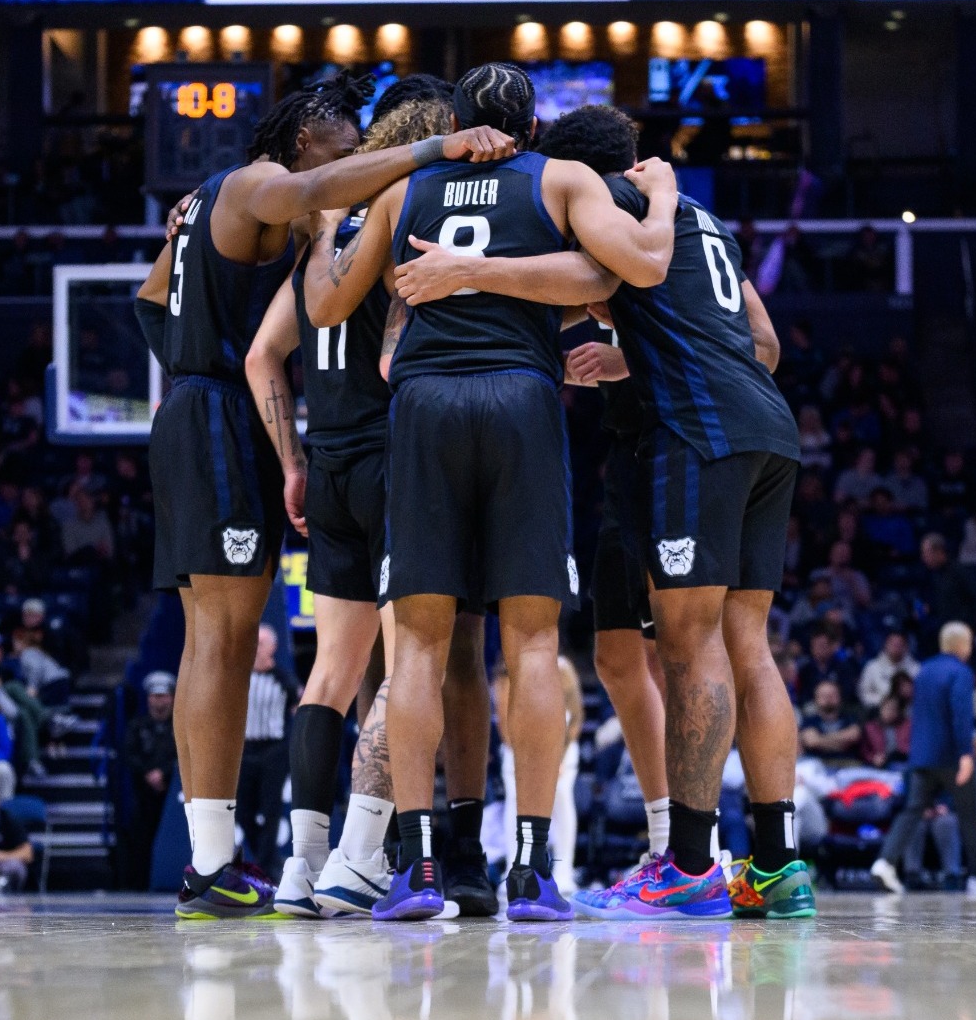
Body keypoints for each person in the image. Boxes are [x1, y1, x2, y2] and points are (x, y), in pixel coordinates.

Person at [133, 72, 513, 921]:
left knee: (231, 643)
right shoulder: (262, 181)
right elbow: (312, 195)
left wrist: (199, 366)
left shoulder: (215, 207)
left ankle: (227, 860)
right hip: (241, 422)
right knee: (236, 644)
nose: (356, 159)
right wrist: (435, 149)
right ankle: (258, 861)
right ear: (306, 134)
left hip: (202, 413)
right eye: (345, 144)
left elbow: (151, 300)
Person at [319, 71, 681, 922]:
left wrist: (403, 263)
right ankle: (531, 870)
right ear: (533, 124)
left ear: (453, 122)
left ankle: (417, 868)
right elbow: (611, 277)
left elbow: (333, 305)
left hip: (425, 405)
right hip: (518, 399)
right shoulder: (559, 177)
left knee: (417, 647)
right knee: (531, 639)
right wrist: (505, 275)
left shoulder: (405, 185)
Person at [242, 78, 496, 919]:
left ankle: (299, 864)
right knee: (416, 655)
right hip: (393, 457)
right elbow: (396, 345)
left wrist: (289, 460)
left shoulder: (322, 229)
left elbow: (259, 357)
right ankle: (359, 854)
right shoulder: (399, 216)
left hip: (328, 461)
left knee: (332, 672)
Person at [871, 622, 976, 894]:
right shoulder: (961, 671)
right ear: (962, 645)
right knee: (971, 815)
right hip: (951, 757)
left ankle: (885, 862)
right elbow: (960, 716)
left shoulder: (923, 671)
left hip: (921, 756)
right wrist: (966, 754)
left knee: (912, 811)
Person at [235, 624, 294, 875]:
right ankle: (265, 857)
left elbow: (298, 705)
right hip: (245, 749)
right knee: (241, 810)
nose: (258, 648)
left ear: (273, 648)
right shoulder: (239, 677)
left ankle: (265, 865)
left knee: (271, 810)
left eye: (262, 643)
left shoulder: (283, 679)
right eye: (255, 643)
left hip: (274, 750)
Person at [121, 670, 178, 887]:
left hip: (172, 795)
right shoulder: (138, 726)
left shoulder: (178, 727)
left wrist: (163, 773)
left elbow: (181, 754)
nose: (159, 702)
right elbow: (129, 754)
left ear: (172, 697)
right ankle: (139, 883)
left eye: (163, 696)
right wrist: (148, 773)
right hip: (143, 795)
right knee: (140, 839)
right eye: (155, 696)